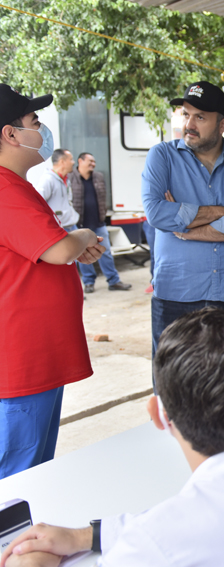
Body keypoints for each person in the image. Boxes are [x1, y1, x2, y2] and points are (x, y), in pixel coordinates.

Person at [0, 308, 224, 567]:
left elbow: (168, 533)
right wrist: (86, 536)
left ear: (158, 416)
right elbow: (174, 524)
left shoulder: (158, 546)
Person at [0, 84, 104, 479]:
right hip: (22, 362)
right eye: (34, 122)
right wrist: (82, 238)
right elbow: (58, 250)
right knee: (20, 478)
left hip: (35, 354)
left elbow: (47, 249)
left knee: (36, 474)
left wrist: (71, 245)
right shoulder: (5, 189)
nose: (41, 130)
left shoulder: (17, 186)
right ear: (10, 134)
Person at [142, 81, 224, 358]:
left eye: (200, 117)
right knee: (171, 380)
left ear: (222, 125)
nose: (189, 123)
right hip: (175, 289)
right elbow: (157, 213)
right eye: (185, 114)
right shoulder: (161, 156)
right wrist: (223, 210)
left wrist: (187, 229)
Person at [68, 152, 132, 293]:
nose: (93, 164)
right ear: (80, 161)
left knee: (106, 252)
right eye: (90, 161)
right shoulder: (71, 178)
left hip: (98, 223)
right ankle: (89, 282)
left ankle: (113, 281)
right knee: (84, 255)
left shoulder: (98, 177)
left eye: (94, 161)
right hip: (81, 224)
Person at [34, 149, 78, 231]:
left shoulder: (66, 179)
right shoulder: (48, 180)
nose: (73, 162)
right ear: (62, 162)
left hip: (71, 225)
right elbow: (37, 204)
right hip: (58, 228)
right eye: (71, 159)